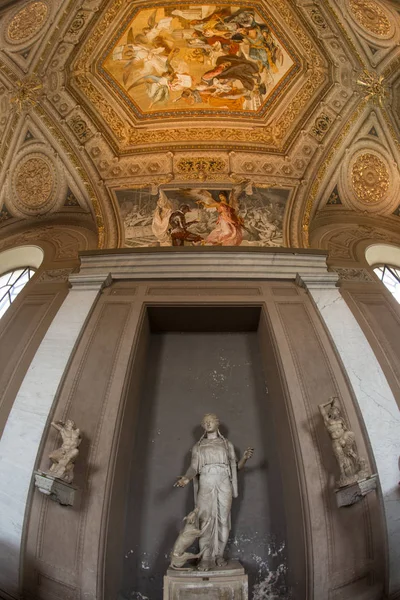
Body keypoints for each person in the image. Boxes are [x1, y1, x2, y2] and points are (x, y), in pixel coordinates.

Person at [174, 413, 253, 569]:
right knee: (205, 522)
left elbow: (235, 468)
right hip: (207, 481)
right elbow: (193, 467)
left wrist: (244, 458)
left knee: (223, 520)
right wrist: (186, 478)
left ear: (217, 423)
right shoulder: (198, 446)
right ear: (203, 426)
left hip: (224, 481)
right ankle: (205, 557)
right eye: (205, 422)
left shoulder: (227, 444)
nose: (208, 423)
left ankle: (219, 555)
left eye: (211, 421)